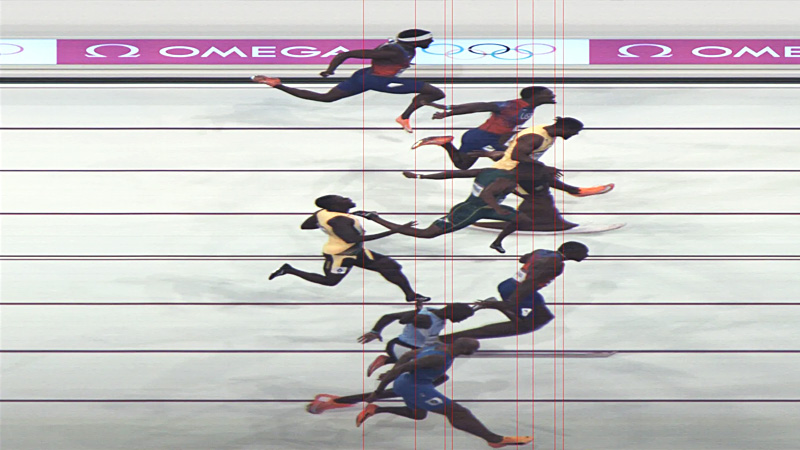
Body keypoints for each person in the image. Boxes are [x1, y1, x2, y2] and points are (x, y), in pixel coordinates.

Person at [251, 29, 445, 133]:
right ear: (415, 41)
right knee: (436, 93)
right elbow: (346, 54)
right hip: (379, 81)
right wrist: (330, 70)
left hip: (364, 76)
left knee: (326, 98)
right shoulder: (392, 52)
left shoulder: (402, 48)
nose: (431, 42)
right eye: (428, 39)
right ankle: (404, 117)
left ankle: (277, 84)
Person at [355, 338, 533, 448]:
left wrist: (393, 370)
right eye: (474, 350)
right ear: (467, 351)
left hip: (409, 383)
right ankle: (494, 439)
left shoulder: (439, 347)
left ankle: (376, 409)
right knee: (458, 412)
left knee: (417, 414)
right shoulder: (439, 358)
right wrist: (379, 390)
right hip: (415, 387)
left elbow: (408, 355)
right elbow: (405, 365)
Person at [305, 303, 475, 413]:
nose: (461, 321)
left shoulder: (434, 312)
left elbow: (393, 317)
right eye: (463, 318)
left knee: (431, 381)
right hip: (404, 348)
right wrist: (376, 332)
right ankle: (337, 401)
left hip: (409, 348)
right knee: (415, 384)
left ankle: (387, 364)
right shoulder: (425, 318)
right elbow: (394, 318)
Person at [268, 194, 429, 303]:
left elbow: (306, 225)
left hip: (354, 251)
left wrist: (327, 227)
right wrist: (396, 230)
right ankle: (289, 270)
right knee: (330, 281)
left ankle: (410, 295)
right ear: (334, 206)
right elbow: (352, 239)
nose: (347, 199)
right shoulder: (339, 220)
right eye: (342, 199)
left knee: (390, 266)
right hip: (341, 255)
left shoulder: (323, 212)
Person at [440, 242, 589, 342]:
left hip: (510, 284)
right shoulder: (556, 263)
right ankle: (449, 339)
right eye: (584, 252)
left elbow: (523, 259)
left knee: (544, 317)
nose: (586, 255)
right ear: (570, 251)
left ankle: (499, 306)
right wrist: (511, 302)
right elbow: (531, 281)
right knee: (527, 325)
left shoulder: (542, 252)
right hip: (521, 291)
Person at [352, 166, 534, 243]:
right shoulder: (506, 182)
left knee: (524, 219)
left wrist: (421, 176)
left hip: (484, 209)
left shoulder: (490, 171)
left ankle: (497, 242)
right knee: (427, 234)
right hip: (469, 211)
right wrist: (498, 209)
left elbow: (454, 173)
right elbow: (487, 194)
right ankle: (373, 217)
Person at [411, 86, 556, 169]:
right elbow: (478, 107)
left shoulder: (529, 107)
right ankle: (445, 143)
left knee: (465, 165)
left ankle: (446, 143)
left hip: (494, 140)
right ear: (536, 95)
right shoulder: (512, 105)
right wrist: (448, 111)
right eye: (548, 94)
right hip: (481, 138)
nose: (552, 95)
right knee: (463, 165)